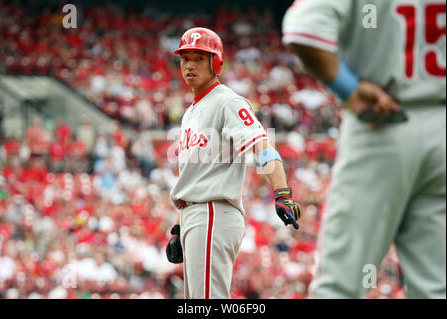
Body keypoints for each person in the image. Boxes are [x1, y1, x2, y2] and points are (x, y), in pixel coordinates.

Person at [282, 0, 446, 298]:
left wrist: (348, 87)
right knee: (437, 286)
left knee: (340, 285)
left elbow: (302, 28)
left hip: (383, 120)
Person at [166, 27, 302, 299]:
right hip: (196, 215)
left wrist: (282, 191)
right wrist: (180, 224)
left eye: (200, 58)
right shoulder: (191, 112)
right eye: (185, 58)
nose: (190, 65)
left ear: (216, 63)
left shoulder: (227, 101)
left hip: (213, 213)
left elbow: (262, 145)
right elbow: (195, 176)